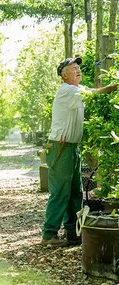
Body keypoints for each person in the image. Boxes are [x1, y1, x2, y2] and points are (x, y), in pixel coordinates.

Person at [41, 57, 118, 247]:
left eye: (78, 68)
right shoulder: (68, 90)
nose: (78, 70)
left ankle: (73, 232)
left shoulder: (75, 91)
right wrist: (113, 87)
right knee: (60, 193)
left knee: (75, 192)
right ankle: (49, 234)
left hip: (71, 148)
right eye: (73, 68)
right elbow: (92, 92)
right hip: (61, 148)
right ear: (64, 75)